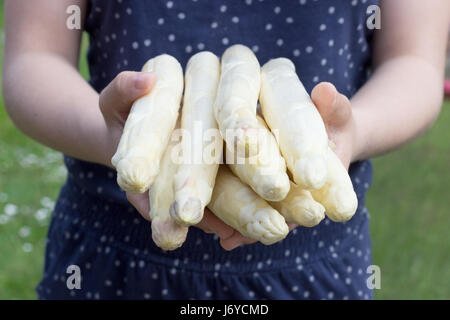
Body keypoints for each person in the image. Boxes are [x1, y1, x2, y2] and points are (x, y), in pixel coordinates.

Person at [3, 0, 449, 300]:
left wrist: (351, 134)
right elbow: (33, 57)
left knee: (281, 175)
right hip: (108, 259)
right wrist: (117, 141)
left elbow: (414, 61)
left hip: (318, 262)